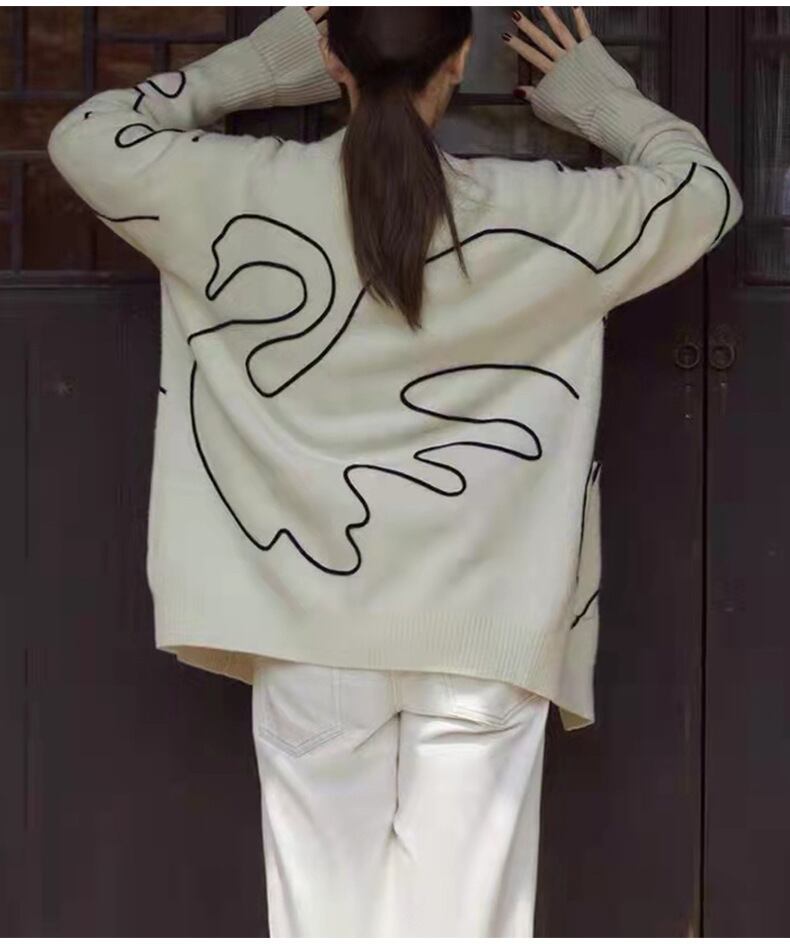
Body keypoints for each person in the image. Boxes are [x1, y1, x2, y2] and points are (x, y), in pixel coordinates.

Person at [47, 5, 742, 937]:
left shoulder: (228, 188)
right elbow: (702, 192)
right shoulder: (541, 216)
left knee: (321, 919)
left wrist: (255, 67)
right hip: (487, 629)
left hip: (308, 623)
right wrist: (596, 98)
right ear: (461, 60)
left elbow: (86, 136)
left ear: (330, 57)